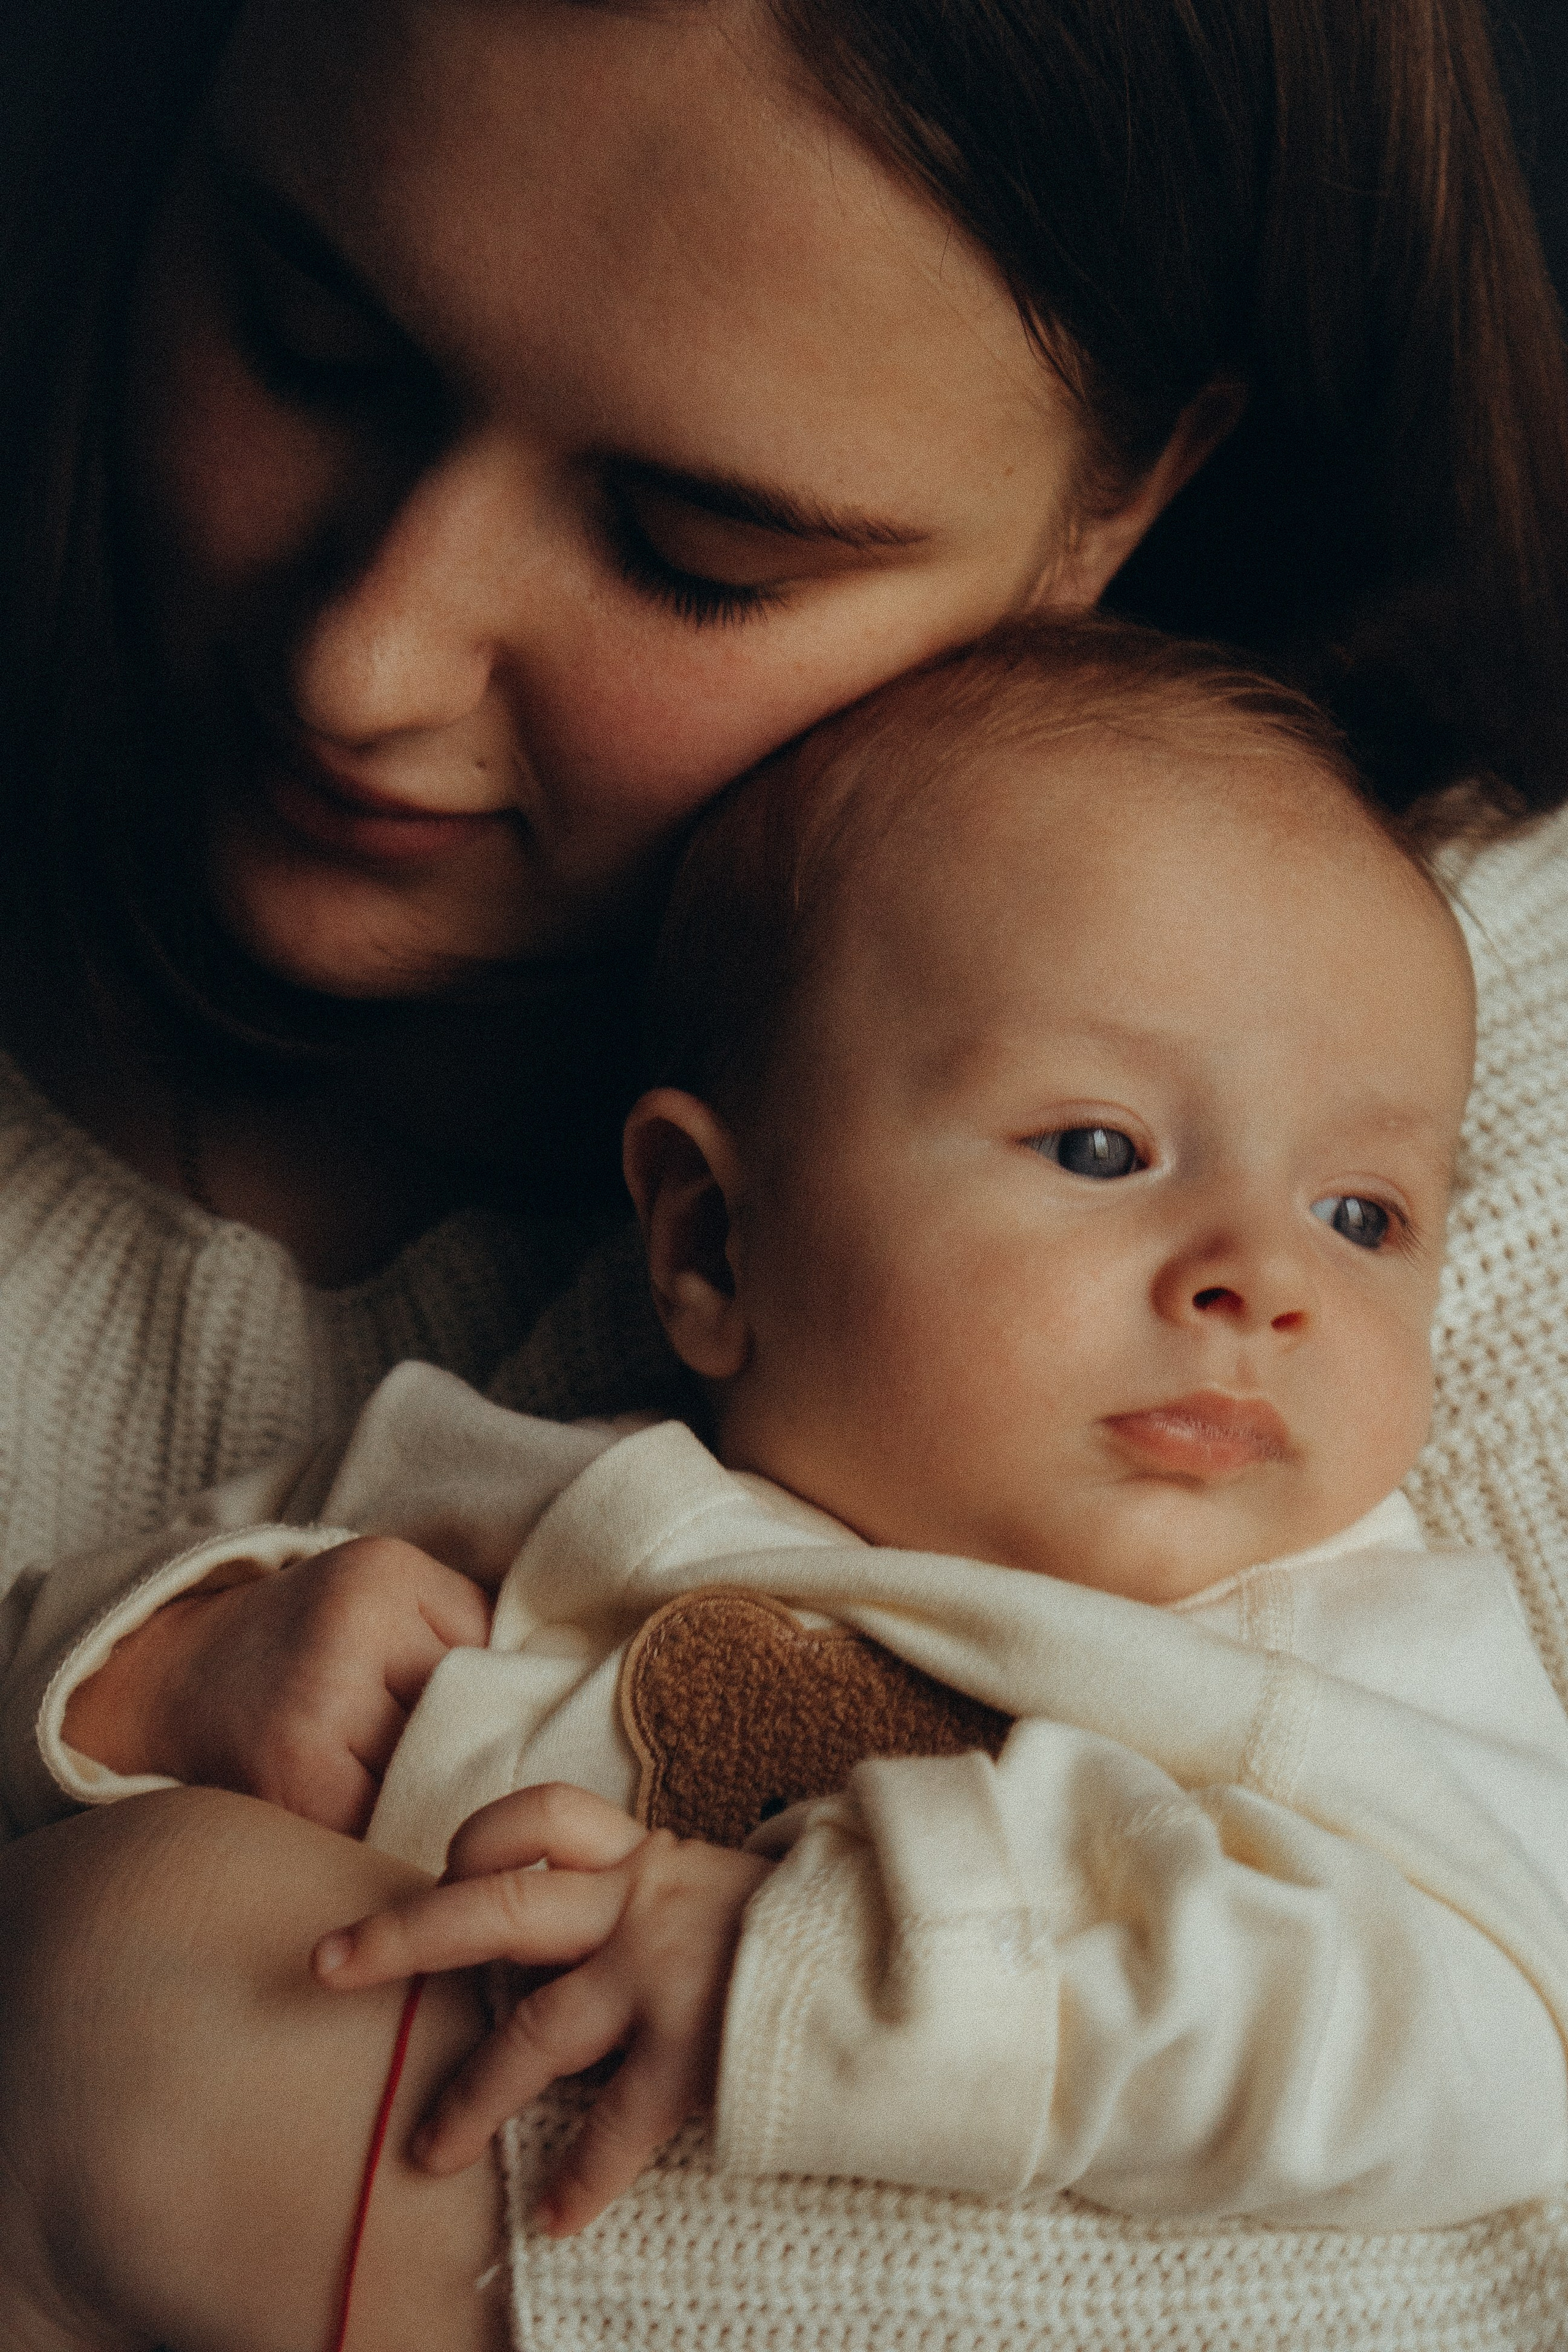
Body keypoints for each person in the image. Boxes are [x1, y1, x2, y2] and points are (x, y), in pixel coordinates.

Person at [3, 0, 1568, 2342]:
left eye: (695, 544)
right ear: (703, 1237)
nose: (368, 660)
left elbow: (1488, 2055)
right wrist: (139, 1683)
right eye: (313, 337)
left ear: (1125, 496)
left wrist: (185, 2108)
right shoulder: (532, 1461)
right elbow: (235, 1582)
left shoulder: (1458, 1059)